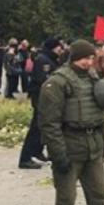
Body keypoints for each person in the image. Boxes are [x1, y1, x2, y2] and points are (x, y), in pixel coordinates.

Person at [38, 40, 104, 205]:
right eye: (84, 57)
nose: (88, 62)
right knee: (67, 197)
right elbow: (49, 123)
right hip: (70, 144)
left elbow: (101, 114)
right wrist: (58, 154)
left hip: (93, 146)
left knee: (99, 192)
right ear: (73, 57)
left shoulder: (93, 79)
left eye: (91, 58)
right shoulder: (58, 83)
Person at [18, 38, 63, 169]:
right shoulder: (43, 60)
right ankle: (25, 158)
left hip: (46, 99)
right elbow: (43, 80)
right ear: (53, 48)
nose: (60, 50)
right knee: (36, 129)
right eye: (58, 48)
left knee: (43, 128)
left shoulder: (50, 59)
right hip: (41, 99)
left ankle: (37, 152)